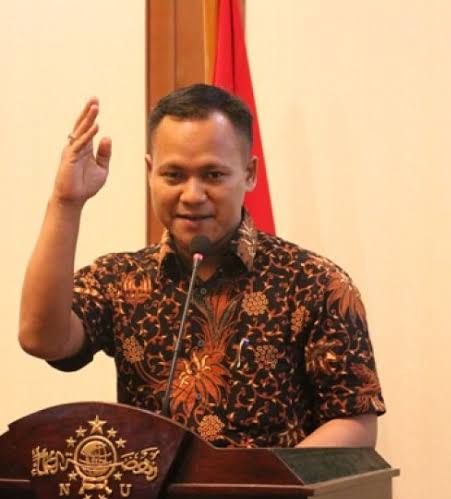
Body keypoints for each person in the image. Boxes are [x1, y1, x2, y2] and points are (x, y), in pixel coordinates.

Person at [19, 84, 385, 448]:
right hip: (153, 488)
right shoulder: (122, 279)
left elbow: (355, 421)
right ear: (150, 172)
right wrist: (65, 203)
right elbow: (42, 339)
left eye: (213, 175)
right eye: (173, 175)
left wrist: (270, 479)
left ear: (249, 173)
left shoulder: (315, 283)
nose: (192, 195)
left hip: (271, 486)